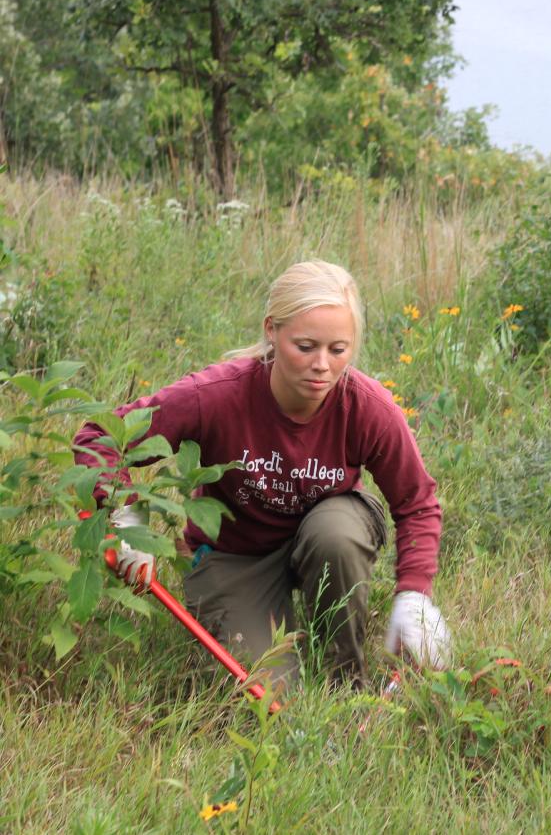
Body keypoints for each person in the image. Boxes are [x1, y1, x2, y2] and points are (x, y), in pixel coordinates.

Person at [74, 260, 450, 689]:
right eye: (306, 346)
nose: (322, 365)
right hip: (236, 554)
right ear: (272, 329)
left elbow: (416, 502)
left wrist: (414, 595)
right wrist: (123, 515)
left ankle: (345, 682)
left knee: (337, 535)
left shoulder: (366, 407)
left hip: (326, 535)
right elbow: (98, 437)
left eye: (338, 349)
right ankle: (270, 644)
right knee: (264, 696)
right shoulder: (215, 395)